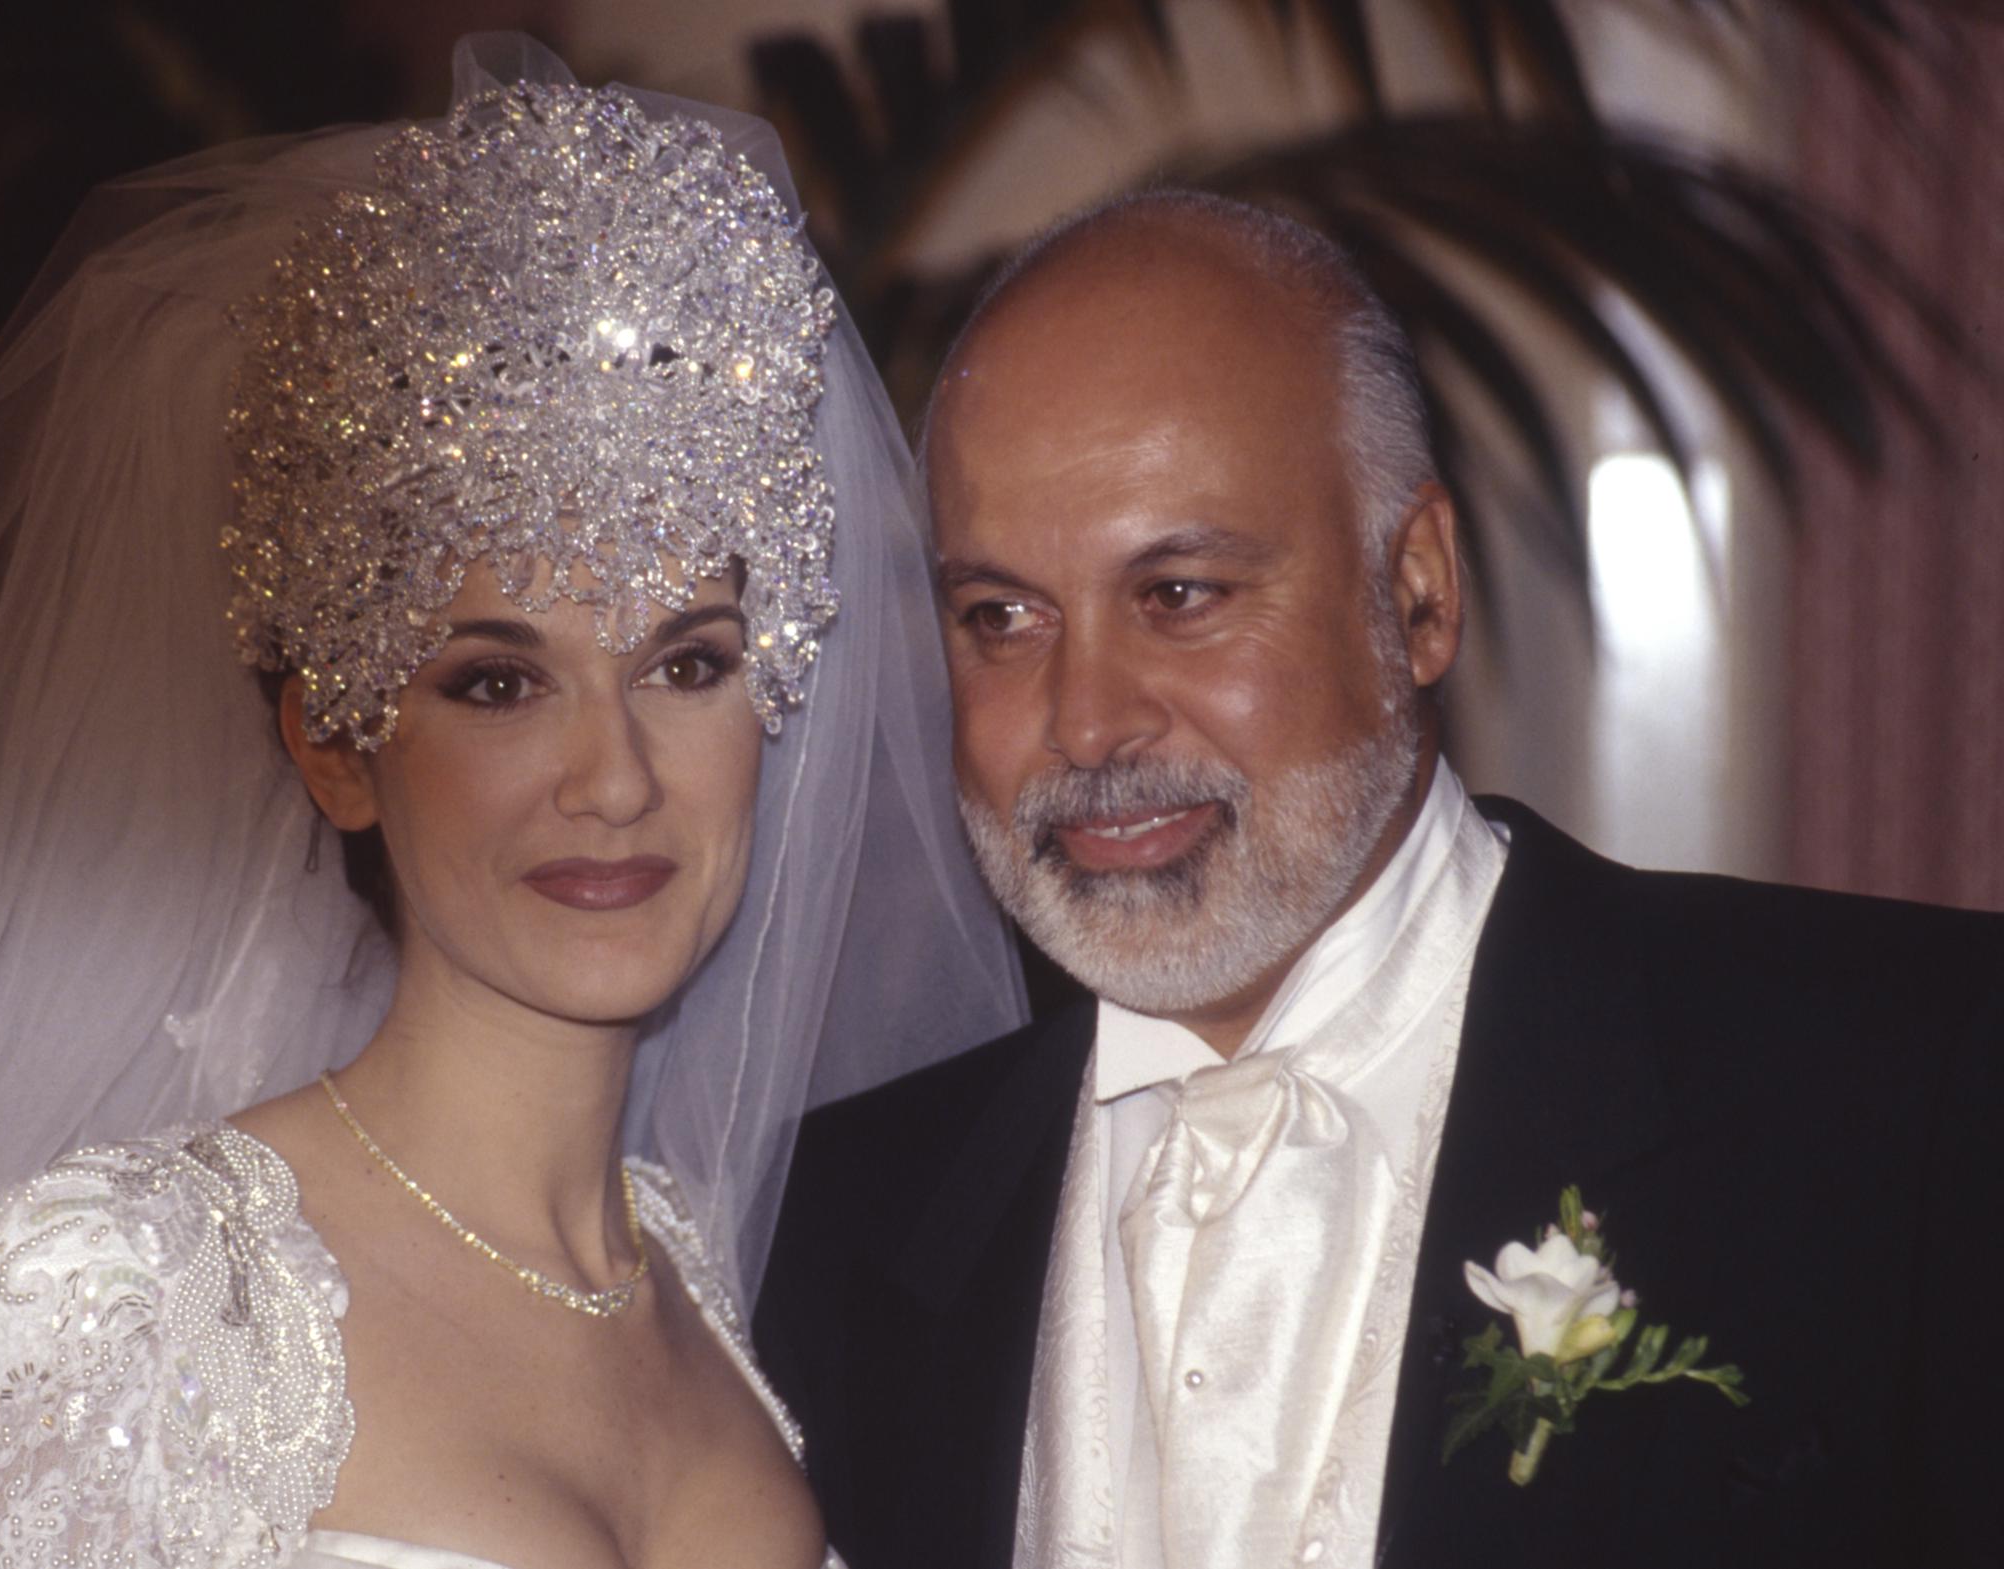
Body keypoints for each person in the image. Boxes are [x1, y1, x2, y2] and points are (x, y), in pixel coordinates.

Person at [0, 36, 1025, 1569]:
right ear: (335, 744)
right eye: (498, 681)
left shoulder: (717, 1290)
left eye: (686, 665)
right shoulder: (122, 1296)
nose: (614, 777)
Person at [754, 191, 2004, 1569]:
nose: (1086, 717)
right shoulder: (822, 1237)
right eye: (1001, 616)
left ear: (1415, 591)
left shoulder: (1906, 1094)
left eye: (1180, 594)